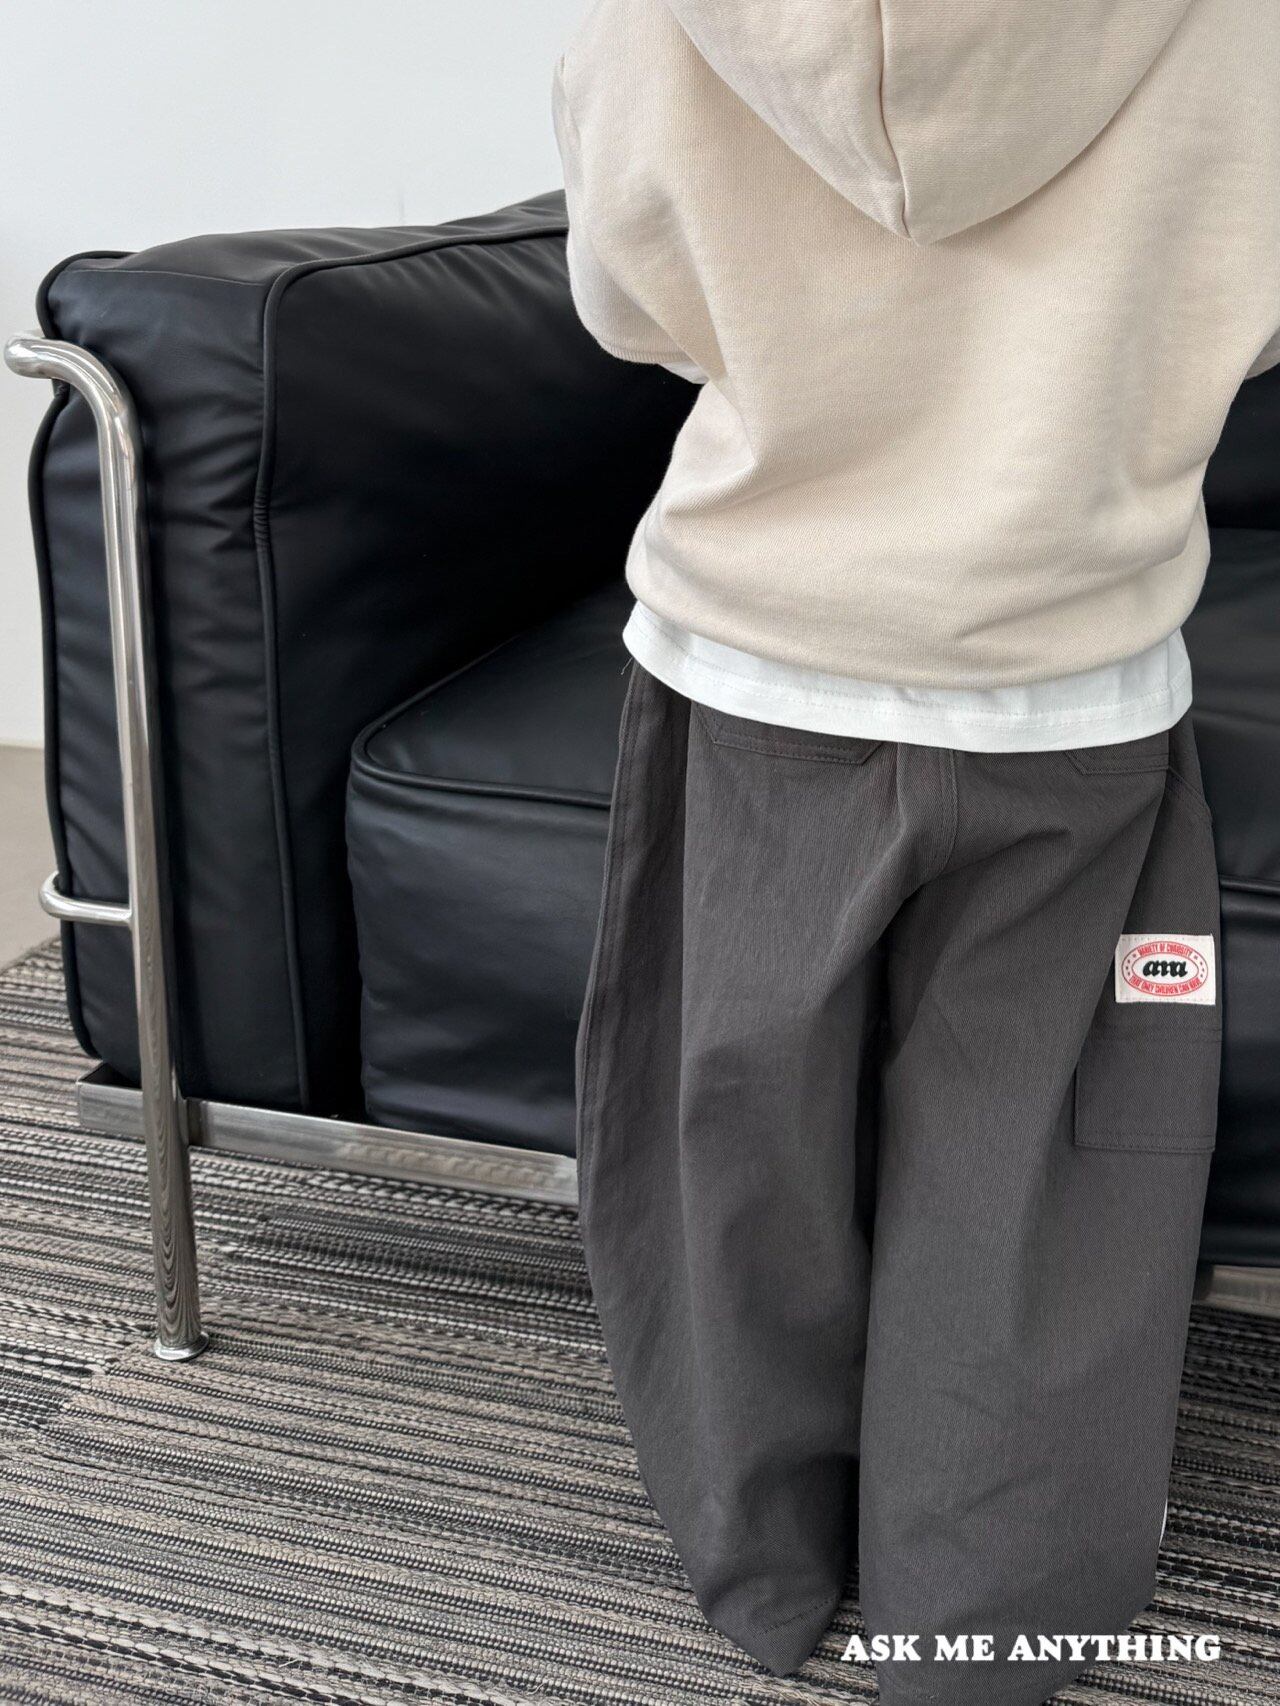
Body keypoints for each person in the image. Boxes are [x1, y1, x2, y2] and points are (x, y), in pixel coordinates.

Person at [551, 1, 1280, 1698]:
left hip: (757, 657)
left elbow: (629, 301)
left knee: (737, 1132)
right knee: (1049, 1170)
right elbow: (1245, 318)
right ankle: (988, 1618)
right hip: (1071, 671)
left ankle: (764, 1556)